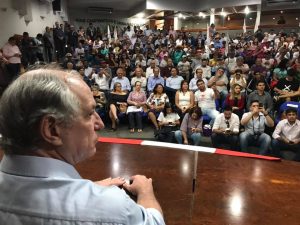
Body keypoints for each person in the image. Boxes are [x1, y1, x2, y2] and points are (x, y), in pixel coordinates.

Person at [0, 68, 165, 224]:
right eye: (89, 114)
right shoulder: (111, 207)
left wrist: (89, 187)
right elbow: (154, 222)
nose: (99, 123)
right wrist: (145, 192)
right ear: (52, 129)